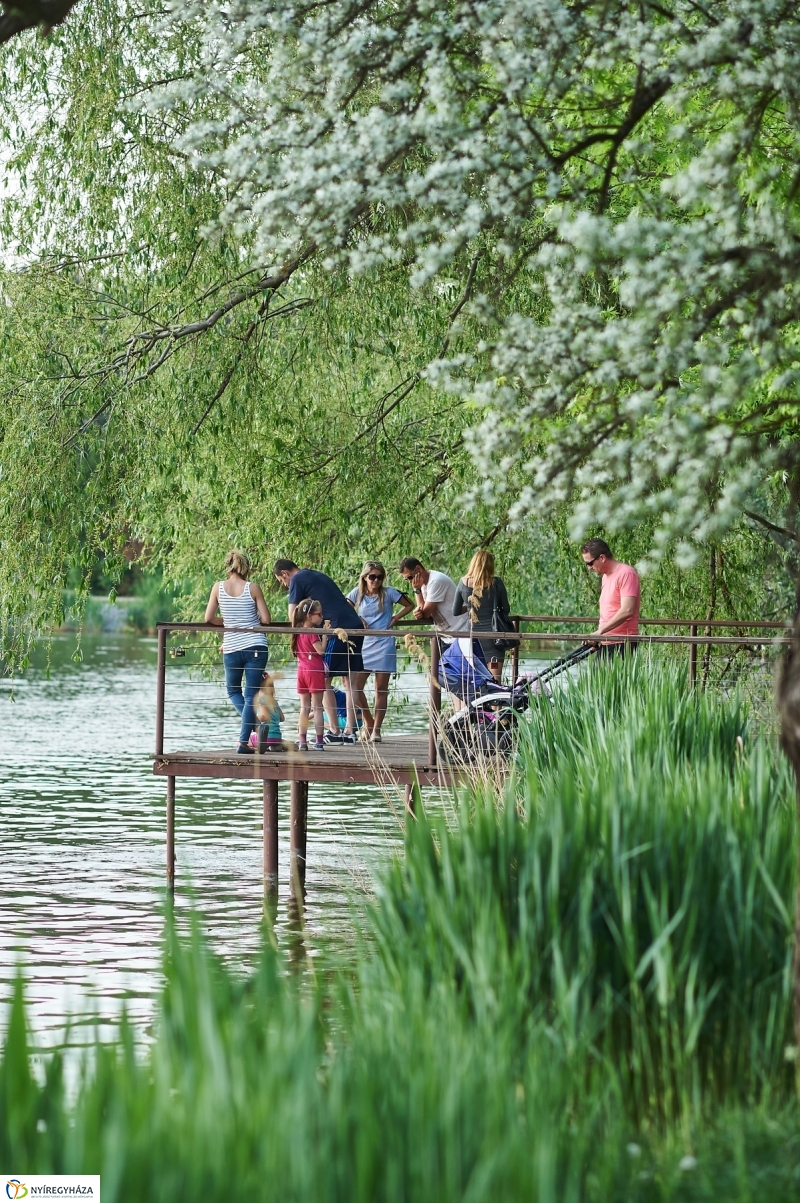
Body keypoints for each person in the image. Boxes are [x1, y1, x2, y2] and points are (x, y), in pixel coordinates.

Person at [274, 559, 373, 743]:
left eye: (282, 581)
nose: (285, 585)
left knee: (323, 679)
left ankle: (334, 731)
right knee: (350, 682)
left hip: (336, 629)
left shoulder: (296, 580)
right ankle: (350, 733)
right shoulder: (315, 574)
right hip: (355, 625)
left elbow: (293, 615)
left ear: (285, 574)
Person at [205, 550, 271, 755]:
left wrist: (227, 622)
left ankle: (250, 734)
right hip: (255, 646)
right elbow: (266, 620)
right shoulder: (253, 588)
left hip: (232, 647)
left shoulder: (218, 588)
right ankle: (245, 740)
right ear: (246, 567)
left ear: (228, 567)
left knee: (234, 691)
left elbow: (209, 618)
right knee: (251, 696)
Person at [347, 560, 414, 742]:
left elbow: (410, 605)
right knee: (355, 687)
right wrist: (358, 619)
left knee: (381, 689)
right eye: (372, 577)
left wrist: (396, 618)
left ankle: (376, 730)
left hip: (384, 643)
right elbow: (344, 608)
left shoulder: (389, 593)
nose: (376, 580)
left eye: (379, 577)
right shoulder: (357, 593)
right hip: (364, 644)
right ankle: (368, 721)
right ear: (365, 577)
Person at [453, 550, 513, 683]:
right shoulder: (496, 583)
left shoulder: (463, 582)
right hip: (494, 641)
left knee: (475, 682)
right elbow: (506, 609)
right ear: (490, 565)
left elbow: (455, 611)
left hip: (472, 639)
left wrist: (471, 607)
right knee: (495, 682)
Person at [580, 538, 640, 654]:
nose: (589, 567)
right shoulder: (605, 577)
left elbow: (627, 610)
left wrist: (600, 632)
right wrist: (598, 637)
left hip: (623, 642)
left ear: (602, 558)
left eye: (590, 563)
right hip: (606, 641)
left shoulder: (626, 573)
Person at [397, 557, 470, 643]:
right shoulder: (422, 584)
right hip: (447, 635)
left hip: (461, 631)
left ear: (418, 569)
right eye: (406, 579)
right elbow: (421, 610)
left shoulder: (435, 581)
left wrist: (417, 590)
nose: (410, 581)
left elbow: (426, 614)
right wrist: (418, 612)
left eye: (410, 577)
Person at [291, 598, 329, 751]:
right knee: (318, 707)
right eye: (319, 614)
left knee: (304, 708)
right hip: (314, 670)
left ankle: (302, 742)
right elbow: (321, 650)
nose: (321, 617)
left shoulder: (298, 631)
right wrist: (325, 634)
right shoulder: (312, 632)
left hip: (301, 670)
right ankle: (319, 742)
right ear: (309, 616)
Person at [252, 672, 286, 752]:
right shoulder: (274, 701)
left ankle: (264, 746)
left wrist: (254, 719)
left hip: (266, 737)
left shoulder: (261, 699)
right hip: (277, 737)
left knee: (242, 741)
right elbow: (282, 718)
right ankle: (276, 745)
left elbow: (265, 717)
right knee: (273, 740)